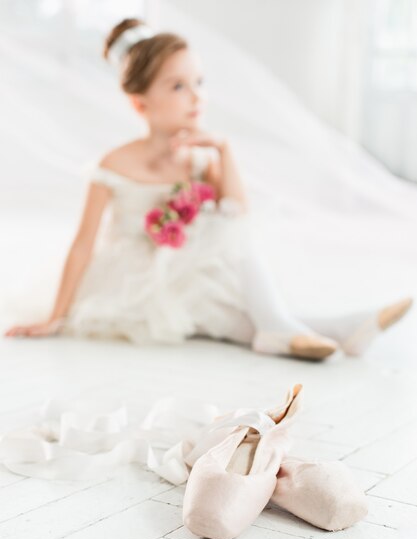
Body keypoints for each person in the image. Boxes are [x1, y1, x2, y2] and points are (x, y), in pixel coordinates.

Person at [4, 18, 412, 360]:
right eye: (178, 86)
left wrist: (224, 150)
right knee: (228, 300)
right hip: (134, 281)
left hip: (186, 273)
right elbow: (82, 245)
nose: (196, 96)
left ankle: (312, 329)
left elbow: (239, 214)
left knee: (227, 282)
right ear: (140, 103)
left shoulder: (199, 157)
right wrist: (55, 317)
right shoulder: (112, 166)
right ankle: (312, 328)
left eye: (199, 82)